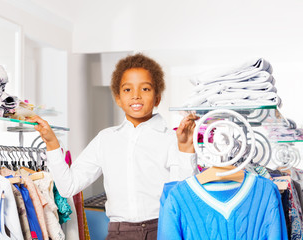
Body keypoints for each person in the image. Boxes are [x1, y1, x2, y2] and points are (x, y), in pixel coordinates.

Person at [28, 53, 199, 240]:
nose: (136, 95)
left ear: (157, 98)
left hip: (162, 230)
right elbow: (68, 187)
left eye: (145, 89)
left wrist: (186, 149)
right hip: (119, 233)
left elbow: (182, 194)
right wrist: (52, 143)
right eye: (127, 90)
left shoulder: (170, 138)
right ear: (118, 98)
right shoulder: (106, 139)